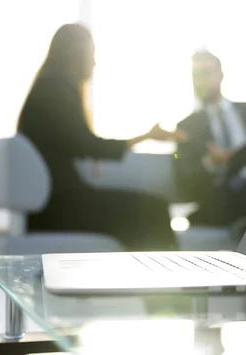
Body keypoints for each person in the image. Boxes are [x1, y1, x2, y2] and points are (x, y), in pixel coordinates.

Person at [17, 23, 186, 251]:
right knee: (152, 209)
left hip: (48, 207)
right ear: (76, 54)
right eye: (92, 54)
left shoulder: (47, 88)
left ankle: (146, 283)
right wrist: (148, 136)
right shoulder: (57, 89)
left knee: (144, 212)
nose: (94, 62)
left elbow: (76, 143)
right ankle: (171, 284)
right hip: (59, 208)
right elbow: (89, 145)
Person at [174, 50, 246, 226]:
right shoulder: (187, 126)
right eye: (195, 75)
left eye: (206, 73)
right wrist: (210, 163)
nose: (200, 81)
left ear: (220, 75)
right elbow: (184, 176)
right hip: (222, 195)